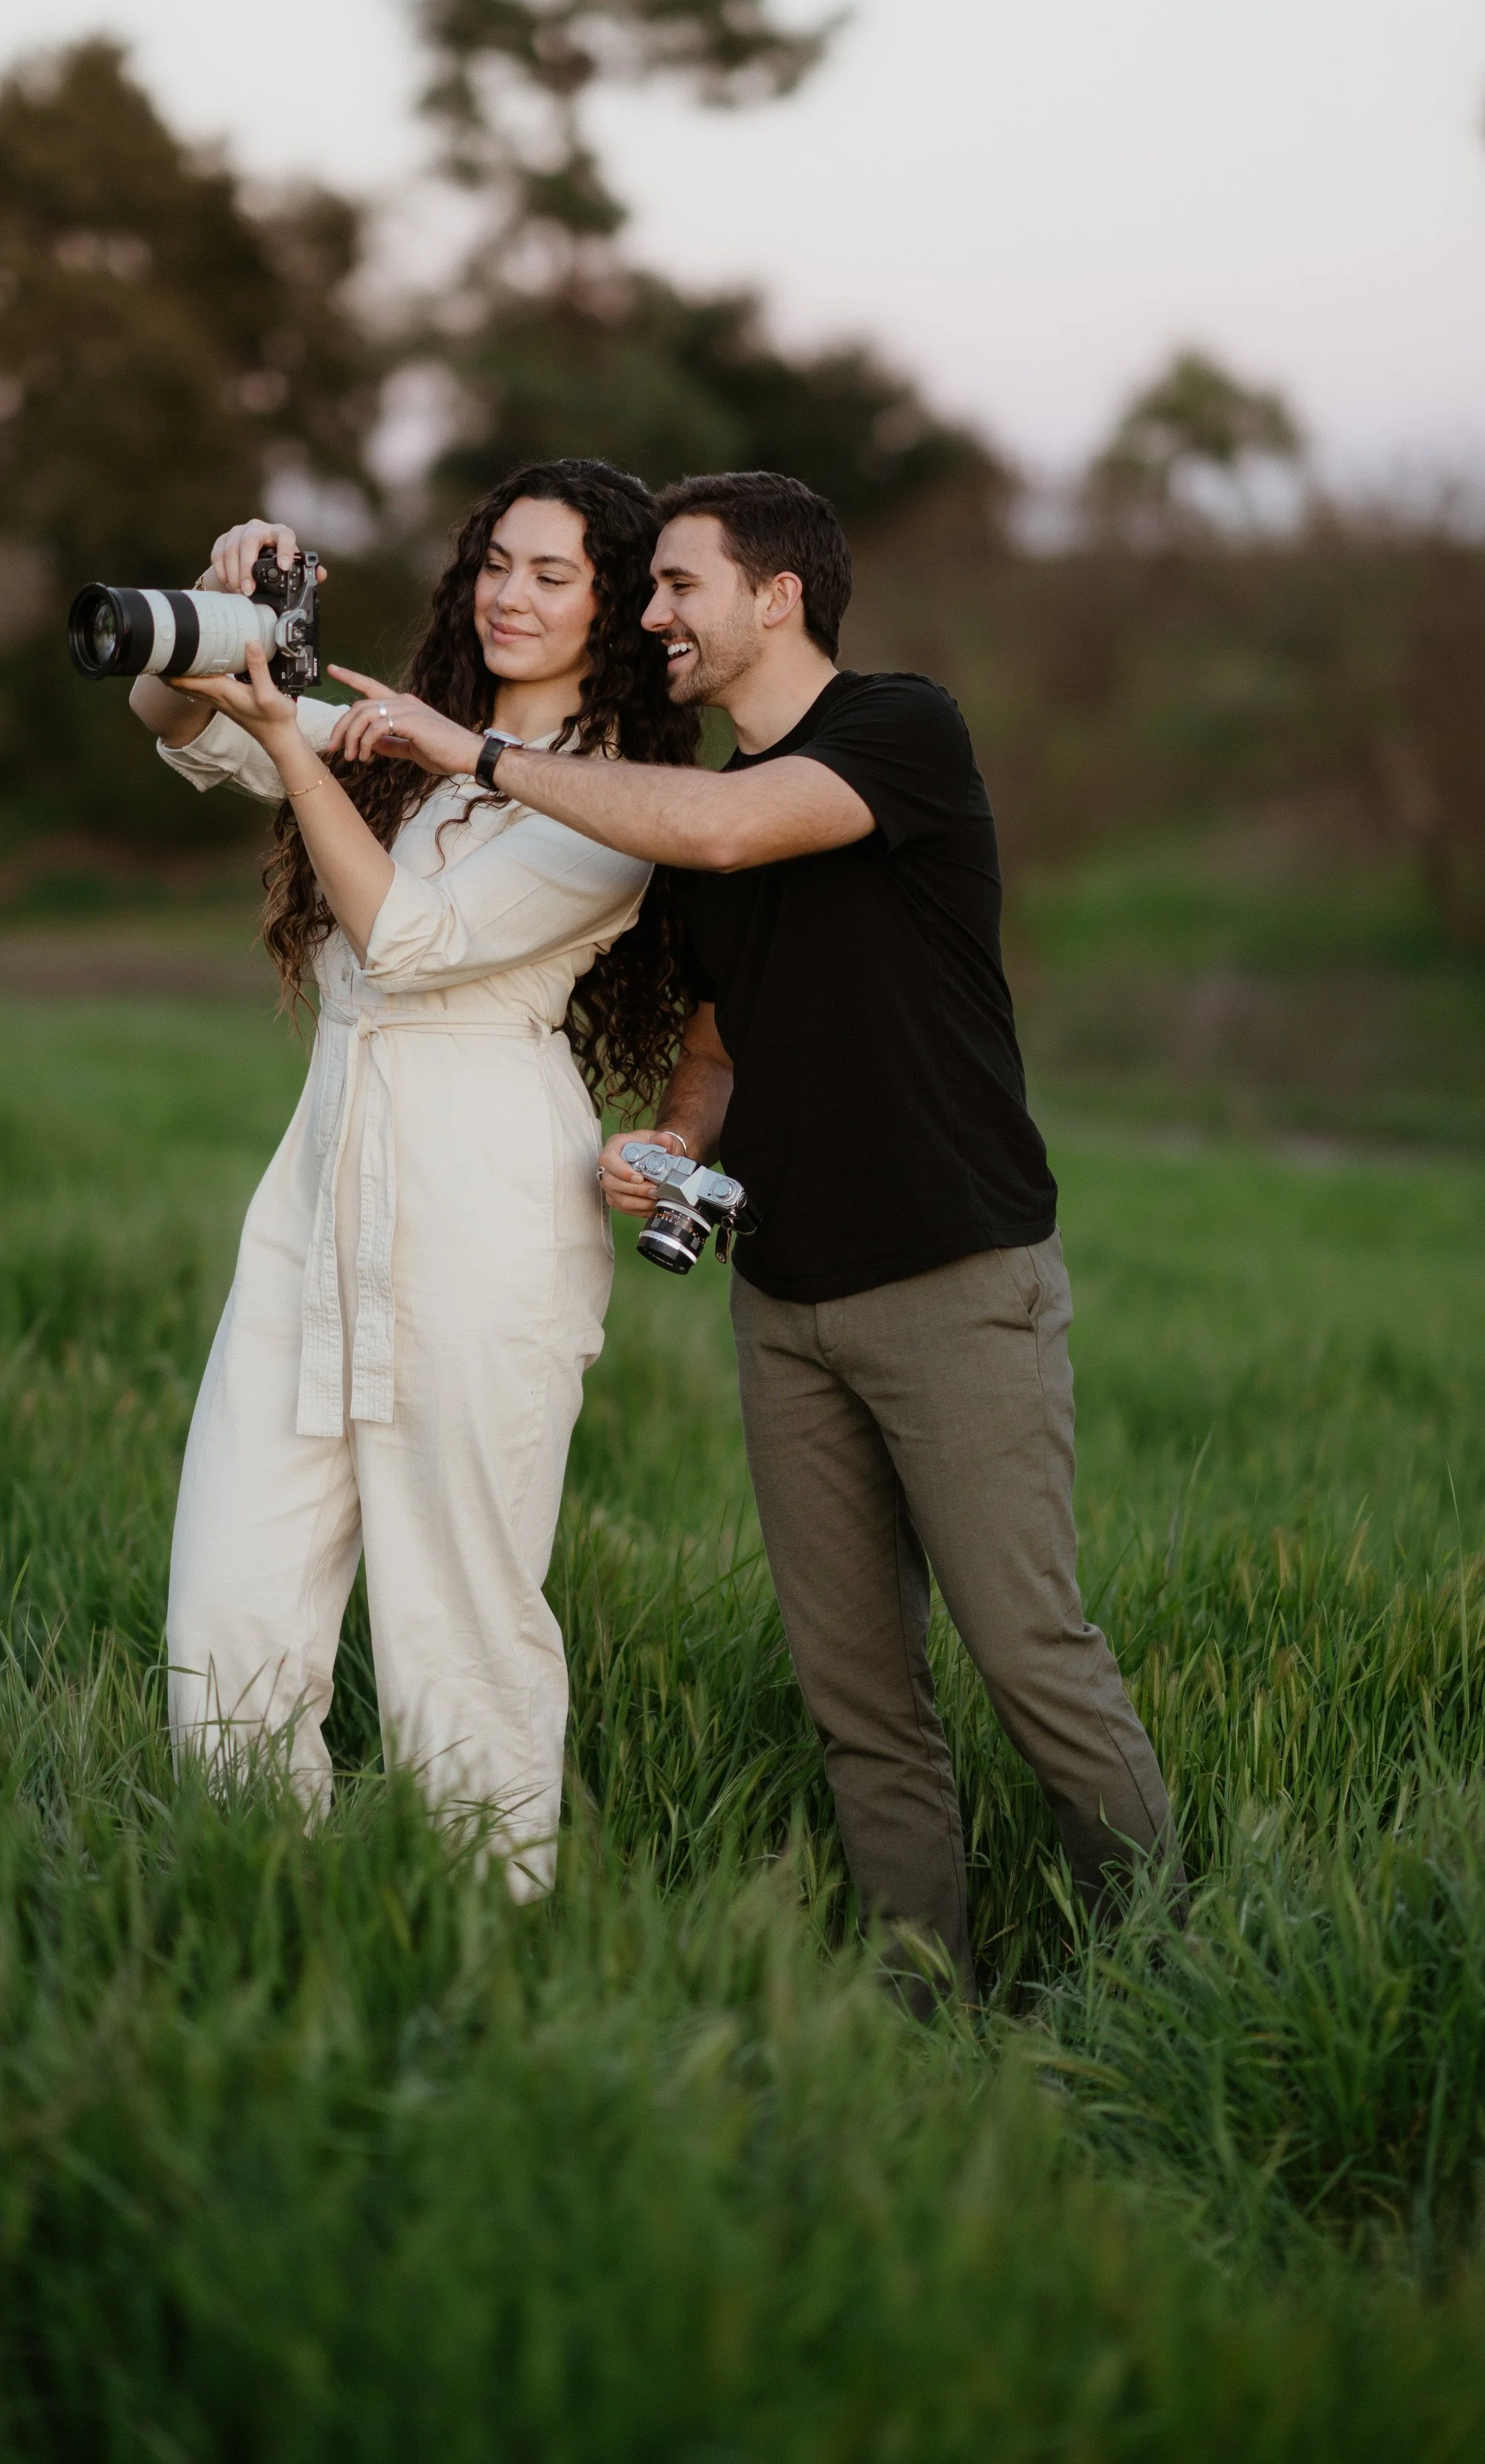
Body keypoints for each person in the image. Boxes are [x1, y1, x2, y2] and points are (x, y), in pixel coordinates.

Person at [325, 467, 1177, 1992]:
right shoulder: (691, 807)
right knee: (857, 1694)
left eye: (675, 586)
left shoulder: (894, 732)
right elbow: (717, 1034)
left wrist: (477, 747)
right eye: (642, 588)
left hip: (952, 1280)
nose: (646, 614)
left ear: (774, 594)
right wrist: (676, 1135)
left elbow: (726, 834)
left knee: (1028, 1658)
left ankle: (1165, 1969)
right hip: (782, 1299)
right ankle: (920, 1997)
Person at [129, 459, 698, 1898]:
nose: (510, 592)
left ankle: (486, 1929)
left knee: (460, 1611)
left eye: (552, 574)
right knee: (231, 1593)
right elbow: (178, 726)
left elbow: (414, 943)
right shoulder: (386, 731)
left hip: (488, 1207)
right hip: (319, 1195)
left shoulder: (620, 799)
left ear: (615, 607)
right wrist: (212, 618)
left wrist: (300, 743)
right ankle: (266, 1902)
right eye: (497, 561)